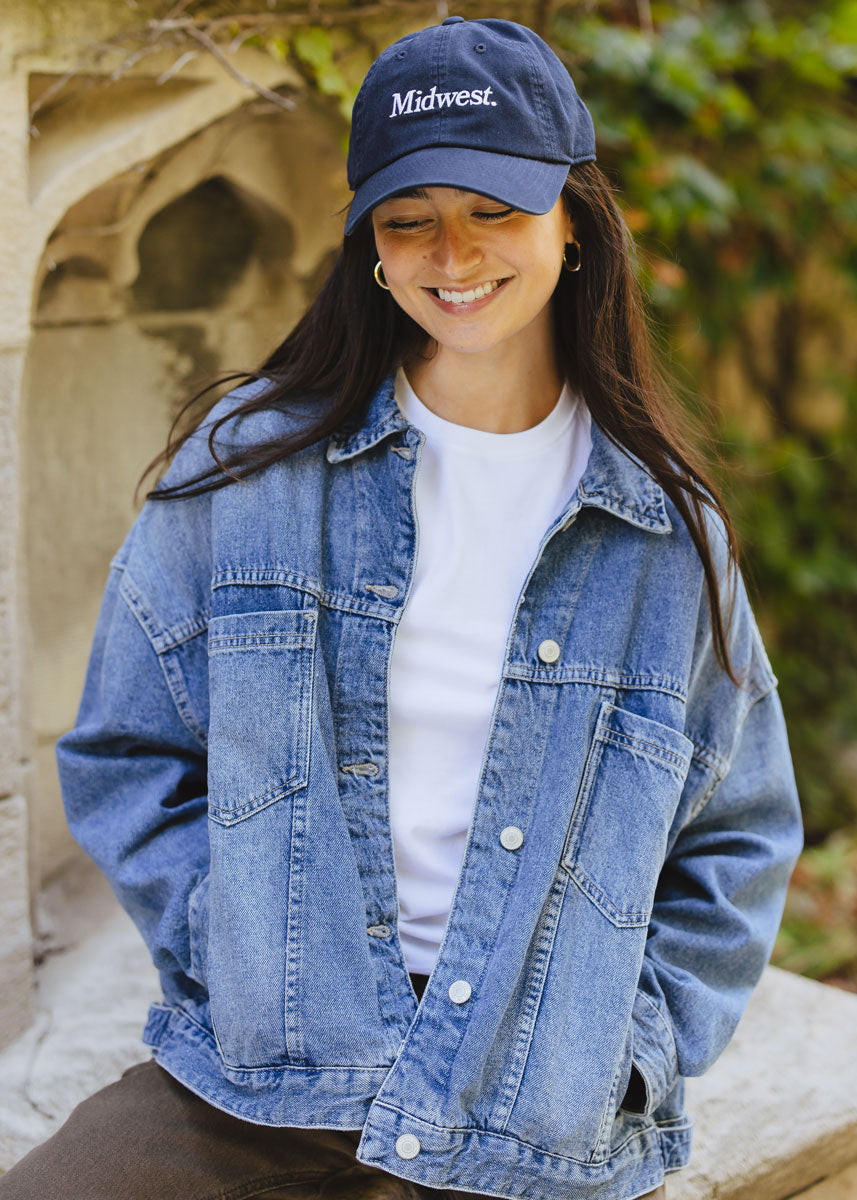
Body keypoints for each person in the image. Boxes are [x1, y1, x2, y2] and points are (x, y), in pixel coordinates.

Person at [0, 15, 803, 1200]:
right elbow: (128, 750)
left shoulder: (661, 535)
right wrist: (237, 954)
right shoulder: (244, 470)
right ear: (367, 244)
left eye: (493, 210)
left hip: (531, 1098)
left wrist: (630, 1049)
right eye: (408, 217)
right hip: (270, 1078)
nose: (452, 252)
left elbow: (736, 836)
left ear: (572, 222)